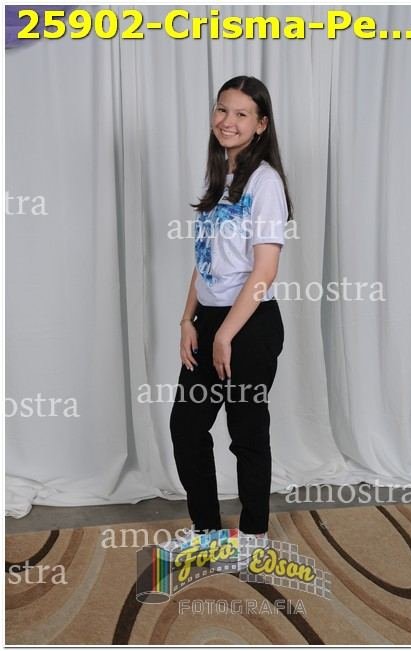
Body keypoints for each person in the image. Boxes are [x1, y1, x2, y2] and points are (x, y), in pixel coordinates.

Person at [170, 75, 293, 543]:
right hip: (209, 320)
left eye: (242, 114)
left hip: (250, 323)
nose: (228, 121)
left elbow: (265, 270)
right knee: (187, 426)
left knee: (246, 433)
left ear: (261, 125)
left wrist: (225, 334)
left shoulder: (265, 182)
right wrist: (188, 319)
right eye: (222, 109)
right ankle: (206, 529)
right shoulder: (218, 176)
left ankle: (254, 536)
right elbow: (205, 259)